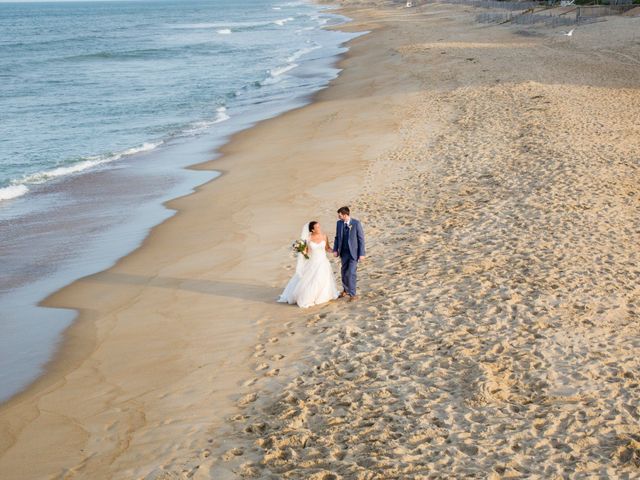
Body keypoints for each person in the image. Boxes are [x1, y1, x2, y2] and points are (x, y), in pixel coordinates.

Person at [278, 221, 339, 308]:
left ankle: (321, 296)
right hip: (312, 262)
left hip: (323, 262)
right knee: (311, 281)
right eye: (317, 227)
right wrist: (302, 251)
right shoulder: (308, 238)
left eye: (319, 226)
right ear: (312, 230)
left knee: (322, 279)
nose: (319, 228)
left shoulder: (324, 236)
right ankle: (309, 296)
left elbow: (327, 248)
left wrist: (335, 251)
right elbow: (306, 252)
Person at [333, 206, 365, 301]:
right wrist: (335, 249)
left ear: (345, 215)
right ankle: (345, 290)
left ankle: (353, 294)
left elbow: (361, 239)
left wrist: (362, 254)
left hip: (354, 253)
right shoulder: (339, 223)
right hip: (343, 252)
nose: (338, 217)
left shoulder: (356, 223)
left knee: (351, 273)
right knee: (344, 272)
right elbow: (337, 237)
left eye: (340, 215)